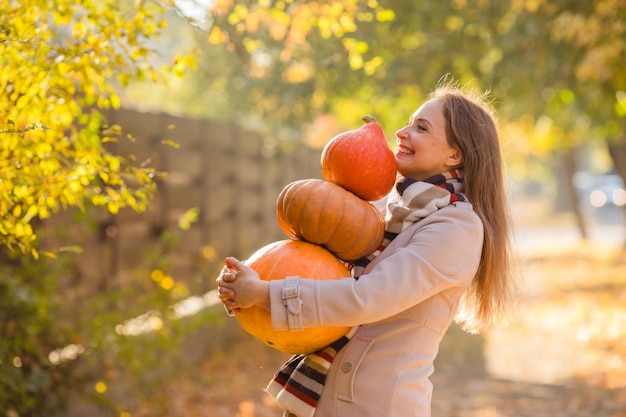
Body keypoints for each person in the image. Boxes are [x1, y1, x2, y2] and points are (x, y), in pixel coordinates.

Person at [216, 80, 517, 417]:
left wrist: (265, 293)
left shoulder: (457, 229)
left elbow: (368, 297)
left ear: (454, 154)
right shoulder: (390, 211)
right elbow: (319, 272)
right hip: (320, 400)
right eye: (408, 121)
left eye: (420, 127)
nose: (401, 132)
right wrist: (245, 284)